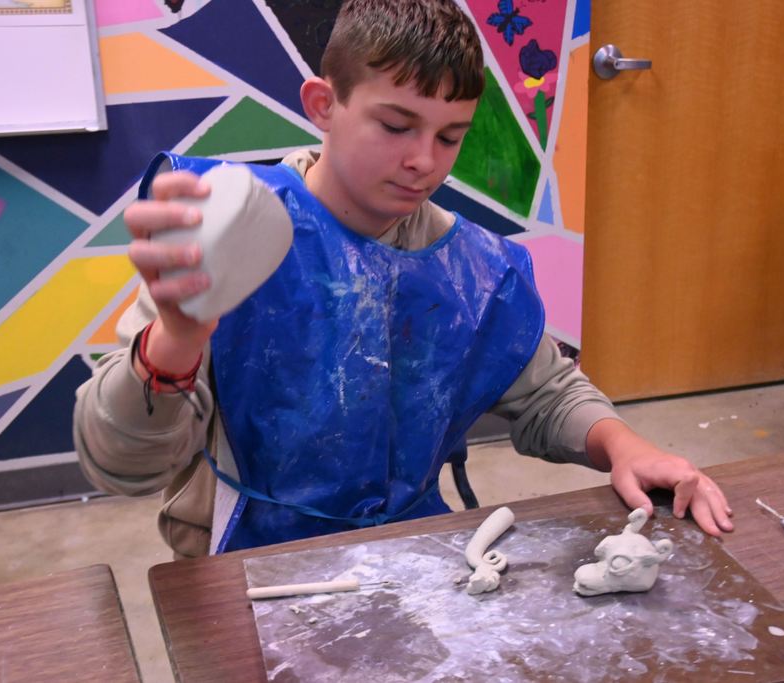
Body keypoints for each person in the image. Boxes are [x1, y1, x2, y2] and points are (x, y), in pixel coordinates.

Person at [74, 0, 732, 559]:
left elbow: (548, 393)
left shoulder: (474, 270)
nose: (423, 161)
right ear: (324, 104)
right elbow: (119, 463)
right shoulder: (233, 233)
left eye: (451, 137)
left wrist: (621, 444)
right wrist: (177, 337)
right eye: (395, 125)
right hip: (252, 569)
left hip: (417, 559)